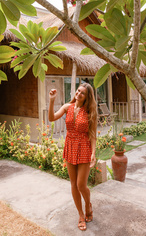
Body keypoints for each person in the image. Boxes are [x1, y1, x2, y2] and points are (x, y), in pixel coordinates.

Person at [48, 82, 97, 231]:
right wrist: (52, 101)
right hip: (70, 146)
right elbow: (51, 118)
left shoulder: (90, 112)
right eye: (78, 91)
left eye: (82, 93)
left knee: (81, 185)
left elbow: (93, 135)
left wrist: (93, 153)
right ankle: (81, 215)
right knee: (73, 184)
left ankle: (88, 204)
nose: (78, 94)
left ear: (87, 96)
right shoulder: (66, 107)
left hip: (84, 147)